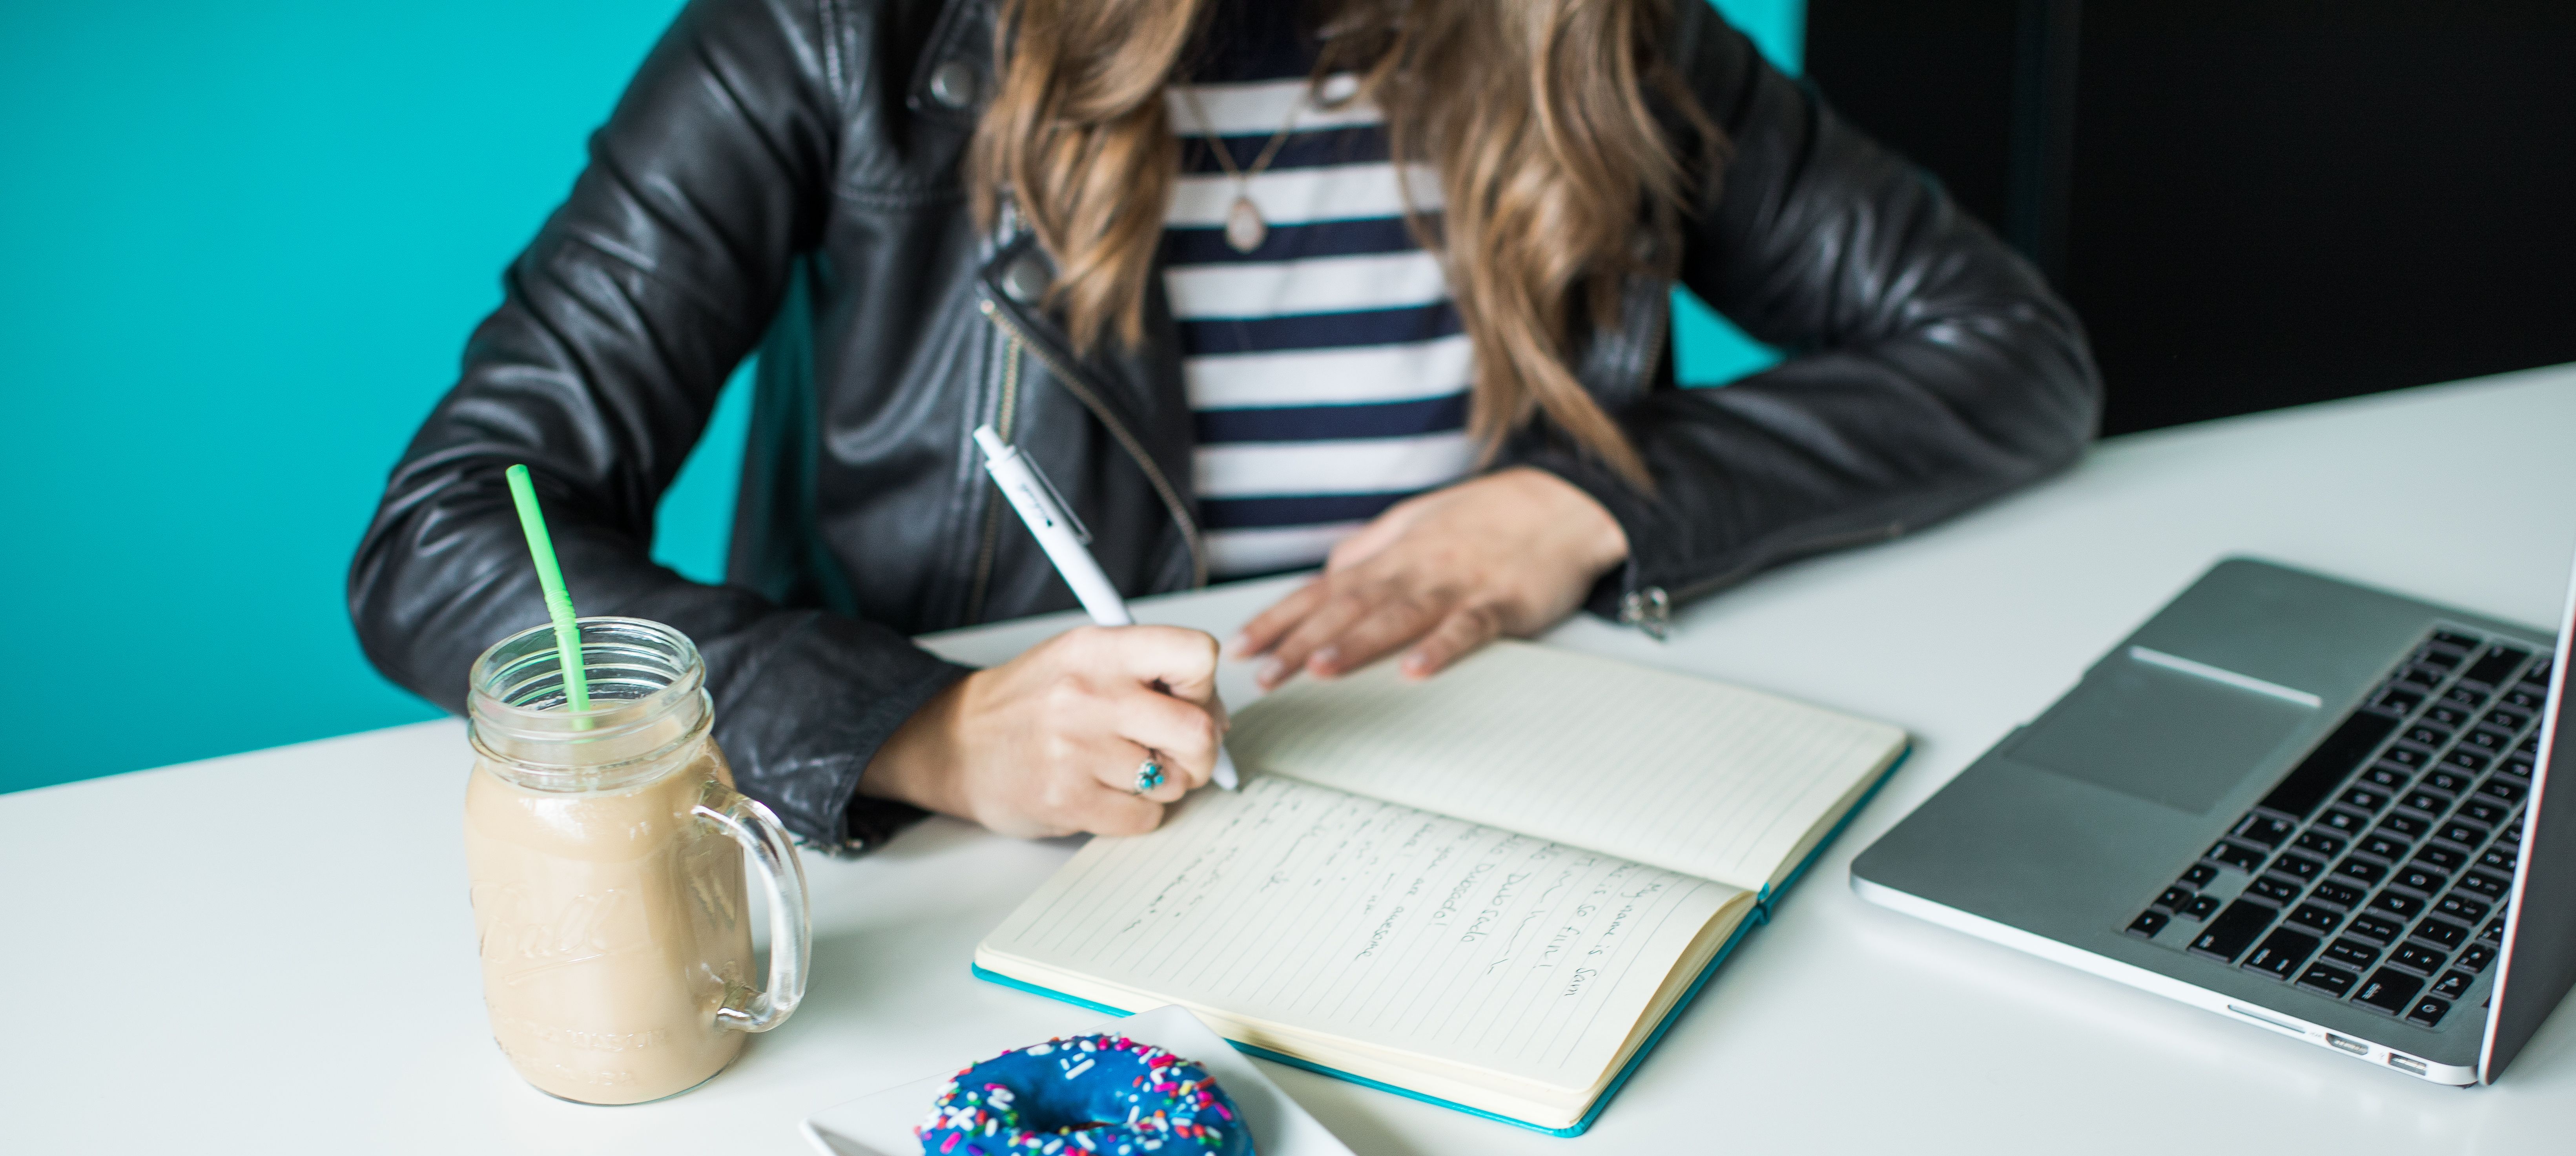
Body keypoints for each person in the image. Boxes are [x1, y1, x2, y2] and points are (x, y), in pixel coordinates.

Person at [351, 0, 2098, 853]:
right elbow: (447, 539)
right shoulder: (834, 38)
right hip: (1011, 884)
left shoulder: (1601, 44)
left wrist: (1588, 503)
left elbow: (2011, 350)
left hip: (1500, 827)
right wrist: (923, 730)